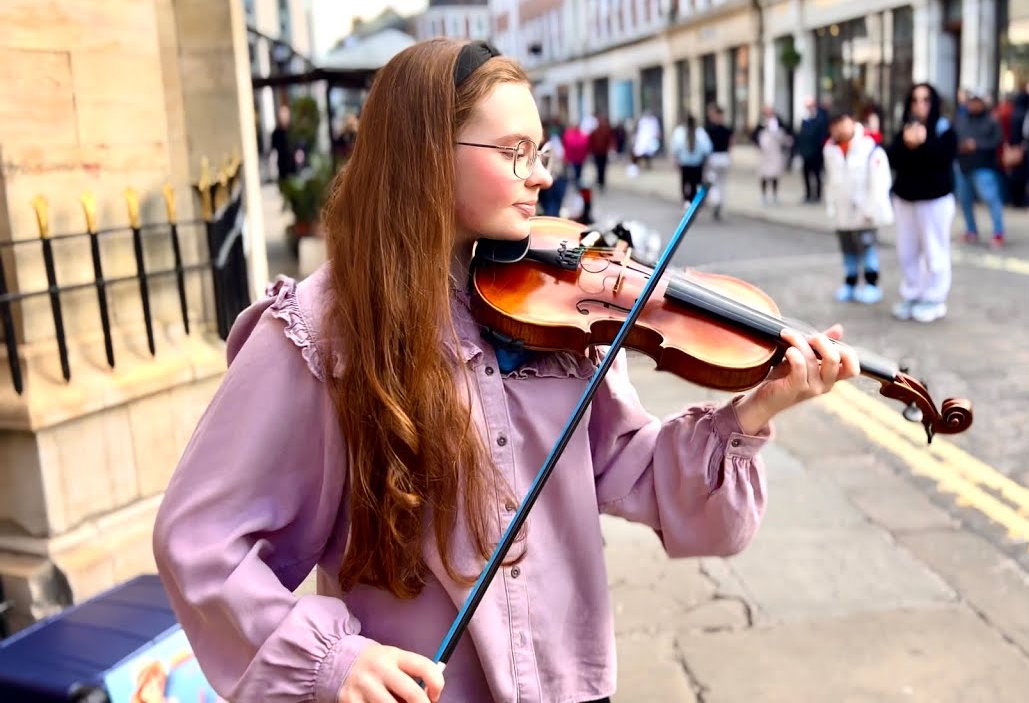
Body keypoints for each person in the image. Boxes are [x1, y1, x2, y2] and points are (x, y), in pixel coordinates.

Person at [151, 38, 860, 703]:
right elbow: (201, 539)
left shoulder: (551, 307)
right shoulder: (322, 329)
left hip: (565, 683)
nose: (542, 175)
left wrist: (752, 414)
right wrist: (333, 658)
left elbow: (626, 465)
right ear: (427, 153)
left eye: (540, 150)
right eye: (515, 152)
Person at [886, 83, 959, 324]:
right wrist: (907, 145)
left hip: (934, 199)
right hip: (906, 198)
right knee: (907, 250)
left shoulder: (944, 129)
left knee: (935, 249)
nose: (920, 105)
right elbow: (894, 158)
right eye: (915, 100)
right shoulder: (906, 128)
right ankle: (912, 293)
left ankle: (935, 297)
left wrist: (923, 144)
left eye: (925, 100)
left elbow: (942, 159)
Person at [823, 111, 894, 304]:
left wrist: (872, 208)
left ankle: (871, 284)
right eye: (835, 125)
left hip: (865, 212)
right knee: (848, 250)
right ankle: (850, 283)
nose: (839, 129)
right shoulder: (830, 150)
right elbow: (831, 180)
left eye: (843, 123)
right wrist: (831, 205)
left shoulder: (870, 147)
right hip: (843, 211)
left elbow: (879, 182)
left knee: (867, 248)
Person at [953, 90, 1006, 249]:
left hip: (983, 166)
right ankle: (971, 230)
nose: (974, 105)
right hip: (963, 165)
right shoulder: (961, 120)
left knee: (990, 198)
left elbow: (997, 141)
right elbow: (954, 138)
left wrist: (977, 145)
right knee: (964, 200)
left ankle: (998, 231)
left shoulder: (991, 120)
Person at [670, 112, 713, 206]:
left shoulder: (679, 132)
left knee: (685, 182)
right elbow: (707, 148)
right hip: (697, 163)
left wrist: (675, 160)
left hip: (685, 163)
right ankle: (694, 201)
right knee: (695, 183)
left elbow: (675, 148)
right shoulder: (700, 132)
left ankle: (686, 200)